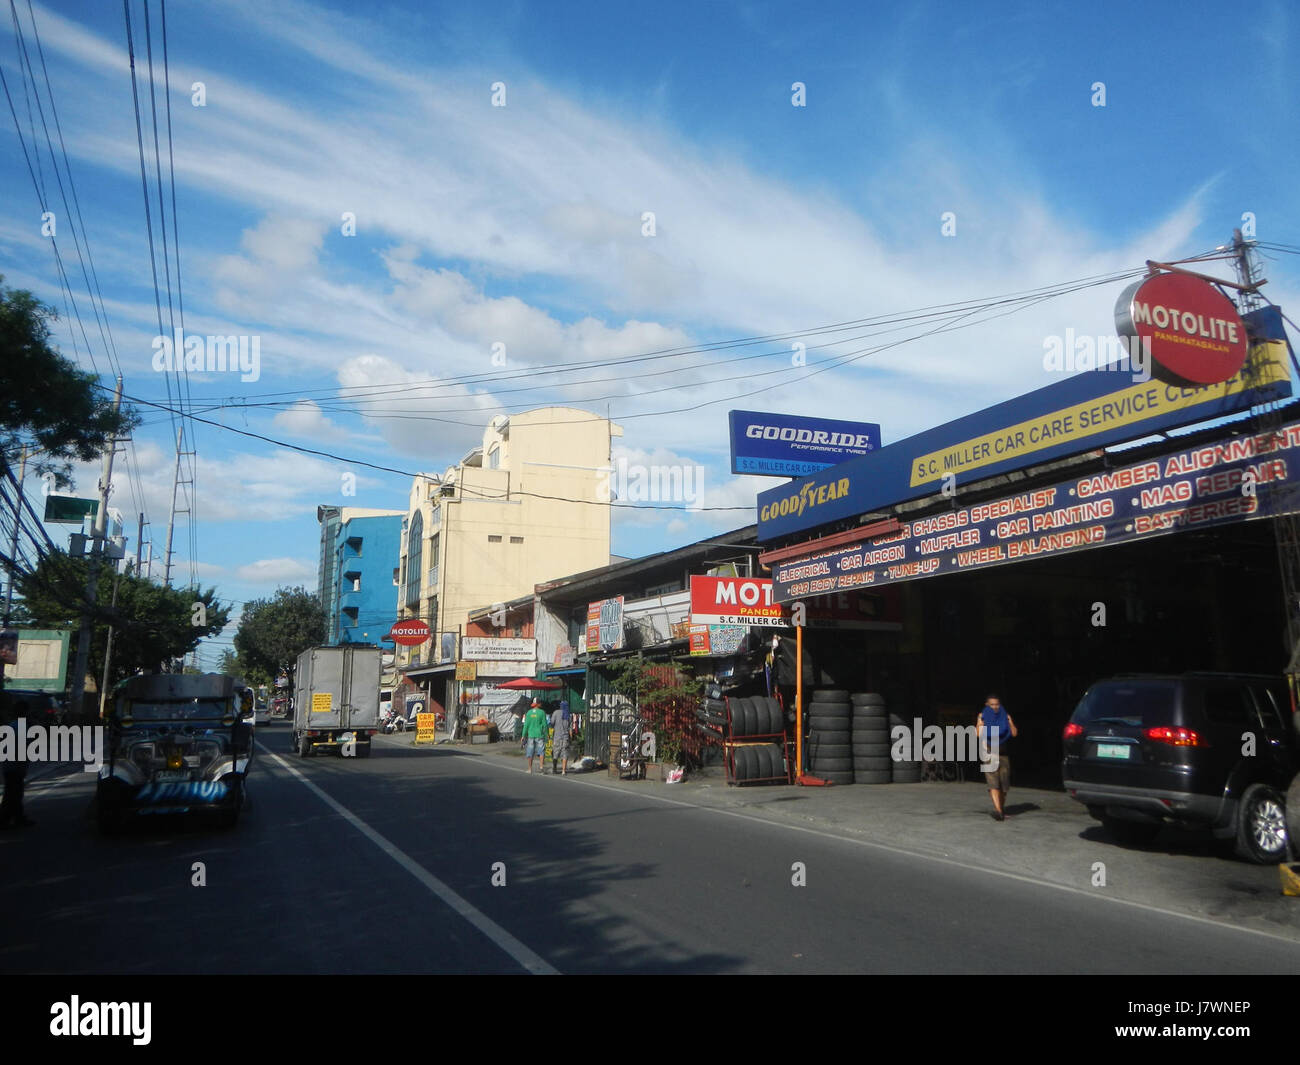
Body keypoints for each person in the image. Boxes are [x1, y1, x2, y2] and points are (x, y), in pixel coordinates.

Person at [976, 693, 1017, 821]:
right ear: (987, 705)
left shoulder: (1005, 716)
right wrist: (979, 723)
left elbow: (1014, 733)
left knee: (1004, 786)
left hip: (1003, 754)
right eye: (992, 704)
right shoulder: (982, 716)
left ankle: (1001, 809)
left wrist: (1010, 722)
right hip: (989, 753)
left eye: (997, 704)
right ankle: (999, 811)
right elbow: (978, 734)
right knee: (993, 784)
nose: (994, 707)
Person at [0, 694, 34, 830]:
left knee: (14, 792)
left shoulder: (13, 725)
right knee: (13, 793)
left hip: (11, 765)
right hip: (15, 766)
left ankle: (16, 817)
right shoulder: (20, 727)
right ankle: (6, 819)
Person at [520, 699, 549, 774]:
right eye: (540, 703)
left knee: (530, 751)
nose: (541, 704)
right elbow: (545, 725)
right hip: (539, 734)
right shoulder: (542, 712)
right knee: (541, 751)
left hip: (531, 735)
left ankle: (530, 769)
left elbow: (526, 725)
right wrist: (547, 734)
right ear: (538, 704)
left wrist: (523, 735)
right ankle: (541, 767)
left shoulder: (529, 713)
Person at [550, 699, 572, 776]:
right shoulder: (568, 715)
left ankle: (554, 769)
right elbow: (570, 728)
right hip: (565, 737)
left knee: (556, 753)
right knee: (565, 754)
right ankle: (563, 771)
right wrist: (571, 738)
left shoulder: (556, 713)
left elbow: (552, 723)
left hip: (557, 736)